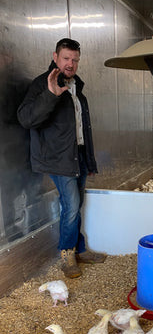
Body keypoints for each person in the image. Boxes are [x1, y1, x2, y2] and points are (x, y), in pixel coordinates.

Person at [17, 38, 106, 279]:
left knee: (75, 206)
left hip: (77, 156)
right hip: (57, 158)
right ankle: (67, 253)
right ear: (55, 57)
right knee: (70, 207)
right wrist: (50, 94)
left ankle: (78, 249)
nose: (71, 63)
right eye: (66, 58)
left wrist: (90, 161)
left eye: (75, 60)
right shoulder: (41, 85)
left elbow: (82, 130)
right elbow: (26, 119)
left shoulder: (77, 87)